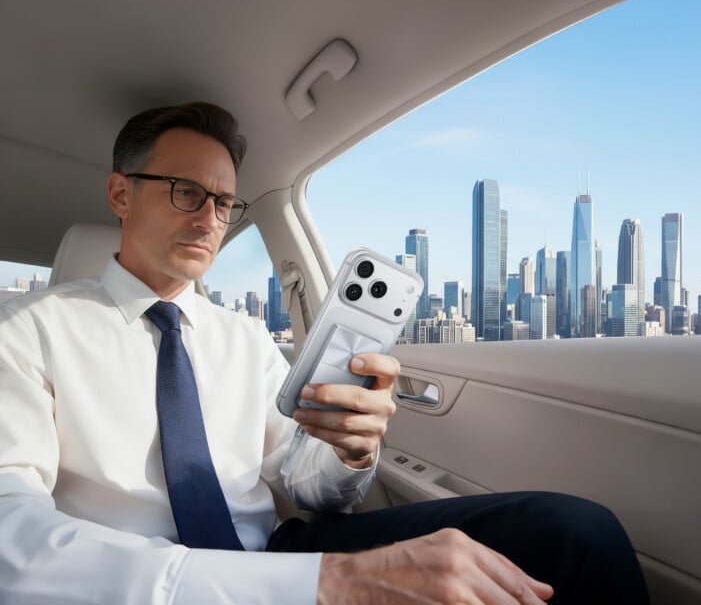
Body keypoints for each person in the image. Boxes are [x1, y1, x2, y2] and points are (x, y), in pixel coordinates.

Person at [0, 102, 649, 604]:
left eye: (224, 202)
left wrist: (349, 453)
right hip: (136, 581)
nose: (209, 219)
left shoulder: (244, 339)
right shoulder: (25, 331)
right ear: (121, 194)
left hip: (279, 553)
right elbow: (14, 541)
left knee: (576, 534)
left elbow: (303, 484)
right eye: (186, 192)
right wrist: (327, 586)